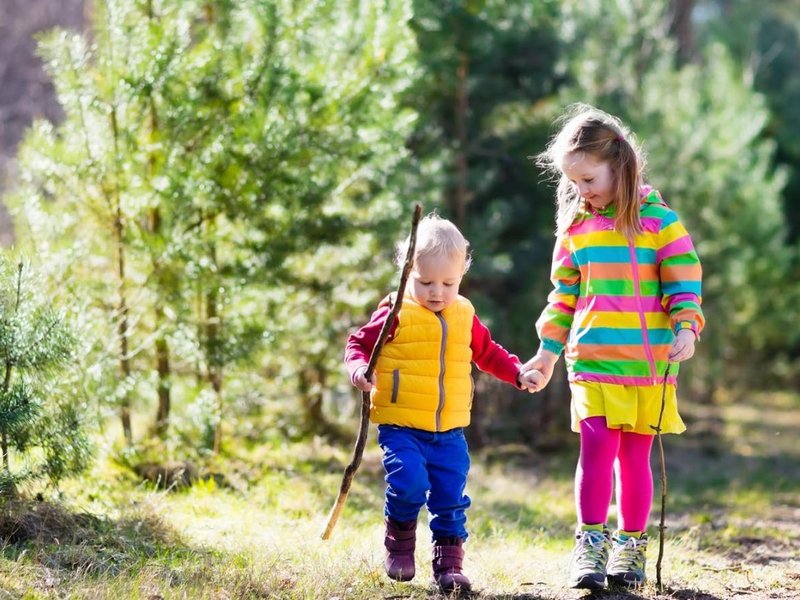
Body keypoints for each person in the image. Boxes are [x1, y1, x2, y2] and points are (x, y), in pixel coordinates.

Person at [521, 104, 704, 590]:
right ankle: (591, 544)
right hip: (593, 361)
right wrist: (546, 352)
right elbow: (563, 296)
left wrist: (687, 326)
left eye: (588, 178)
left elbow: (683, 279)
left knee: (634, 458)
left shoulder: (658, 221)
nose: (582, 191)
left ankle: (631, 546)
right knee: (597, 449)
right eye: (574, 182)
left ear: (618, 164)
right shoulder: (577, 228)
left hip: (648, 367)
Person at [345, 214, 543, 593]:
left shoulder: (464, 313)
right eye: (425, 282)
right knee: (408, 484)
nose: (437, 292)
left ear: (461, 276)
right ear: (407, 273)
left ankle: (449, 565)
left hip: (450, 429)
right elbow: (358, 344)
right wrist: (358, 371)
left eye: (448, 283)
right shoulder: (395, 312)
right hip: (402, 424)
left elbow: (488, 353)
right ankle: (400, 544)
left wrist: (517, 372)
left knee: (451, 498)